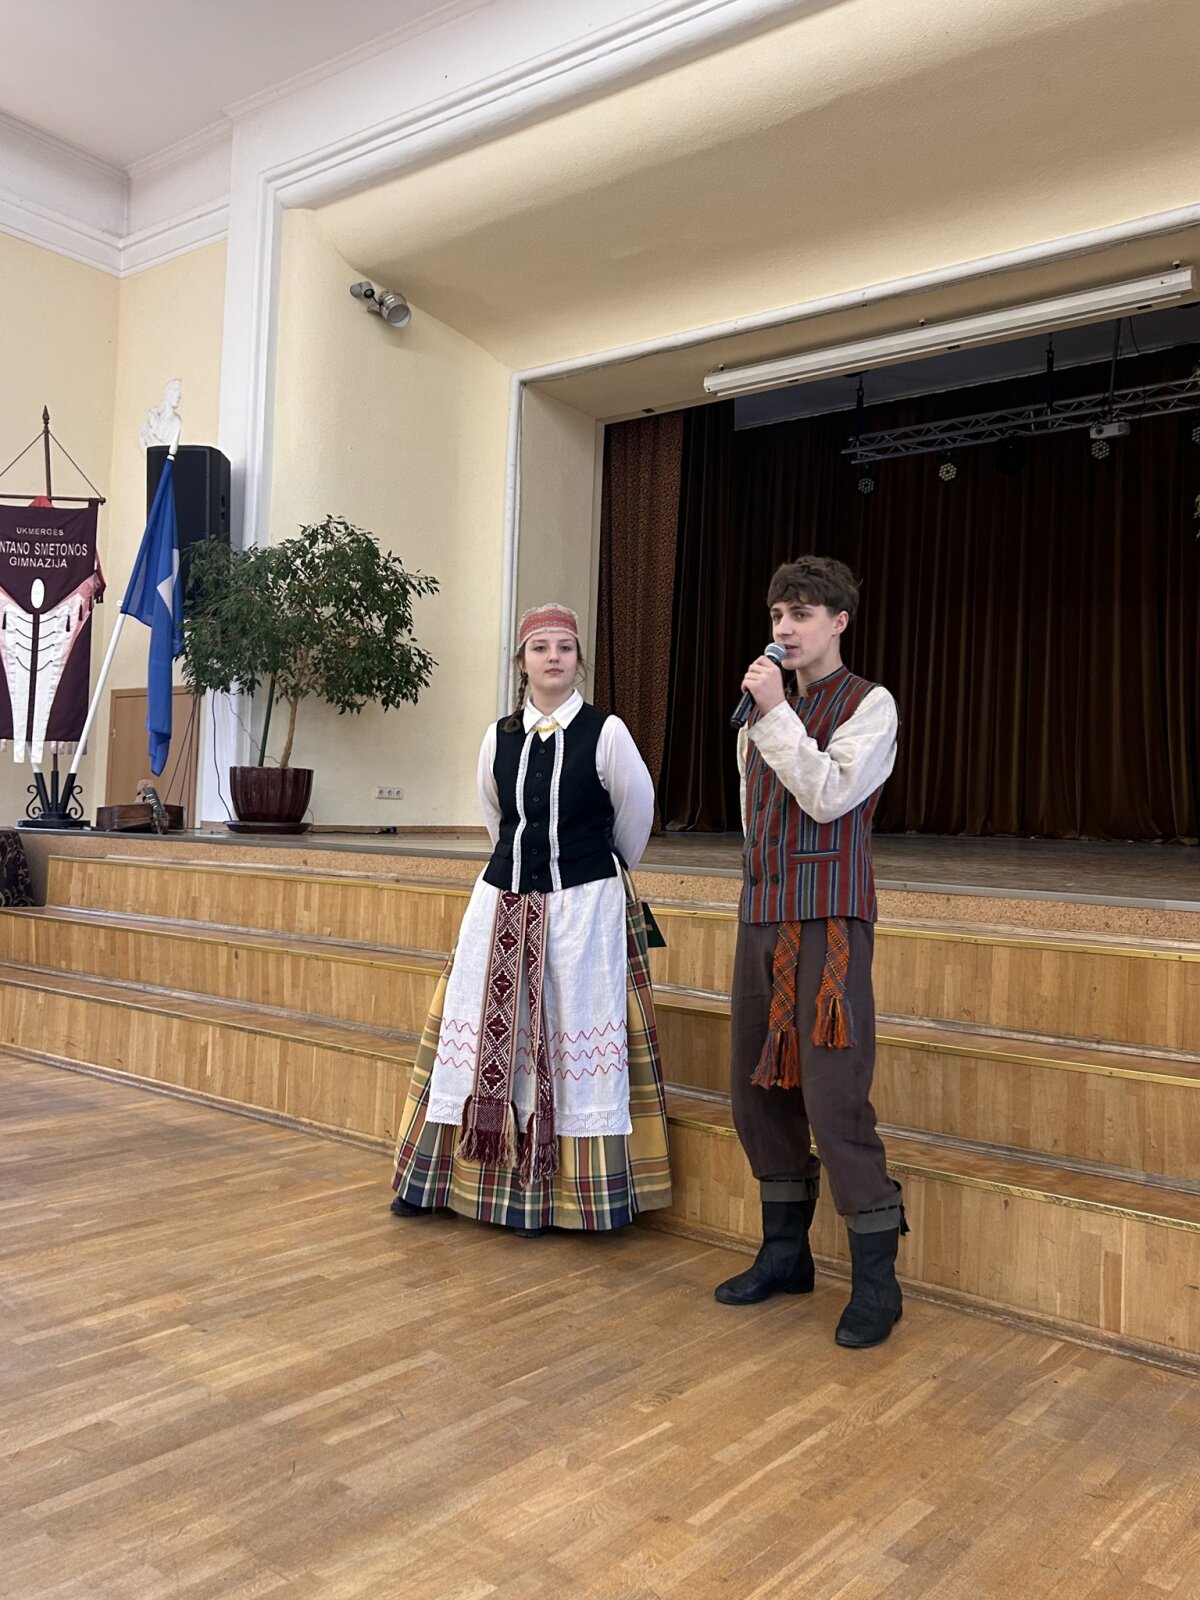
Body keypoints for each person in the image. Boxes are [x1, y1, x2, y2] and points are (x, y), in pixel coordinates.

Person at [388, 602, 672, 1234]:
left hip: (584, 906)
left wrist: (597, 872)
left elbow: (636, 814)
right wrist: (523, 868)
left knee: (569, 1034)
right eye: (540, 648)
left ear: (578, 660)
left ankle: (556, 1197)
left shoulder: (606, 731)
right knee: (481, 1032)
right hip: (503, 901)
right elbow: (496, 817)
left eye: (564, 648)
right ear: (522, 662)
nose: (553, 658)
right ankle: (457, 1182)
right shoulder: (499, 735)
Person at [714, 556, 905, 1347]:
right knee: (755, 1092)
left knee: (833, 1098)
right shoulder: (763, 714)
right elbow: (757, 818)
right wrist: (770, 714)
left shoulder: (870, 704)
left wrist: (775, 715)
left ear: (838, 622)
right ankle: (785, 1255)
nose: (785, 629)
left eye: (801, 614)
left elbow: (829, 795)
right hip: (765, 914)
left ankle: (877, 1285)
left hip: (829, 921)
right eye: (777, 616)